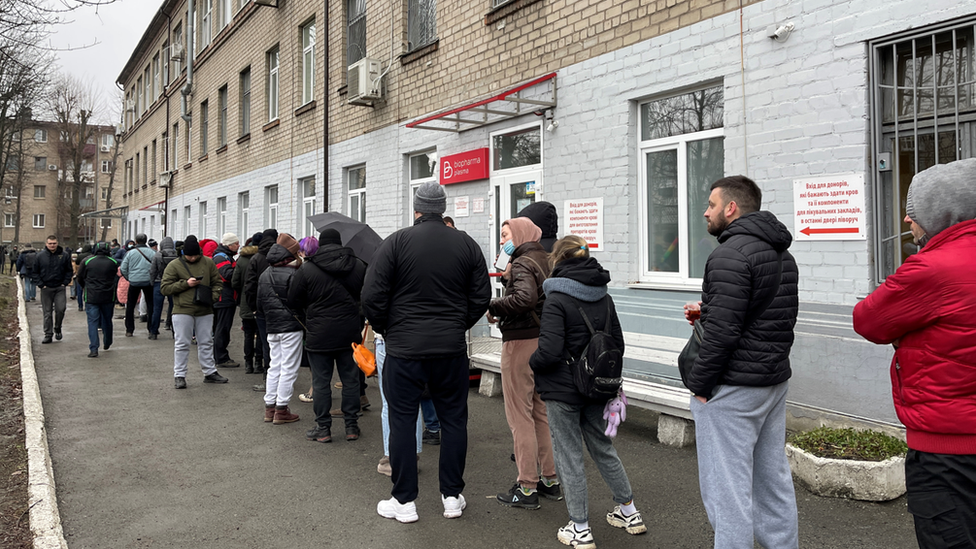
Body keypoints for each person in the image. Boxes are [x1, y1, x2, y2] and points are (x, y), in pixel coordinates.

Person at [852, 158, 976, 549]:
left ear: (942, 213)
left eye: (914, 213)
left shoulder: (931, 268)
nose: (908, 223)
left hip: (947, 452)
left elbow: (868, 321)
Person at [363, 180, 491, 523]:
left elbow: (372, 295)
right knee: (453, 420)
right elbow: (481, 295)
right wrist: (455, 324)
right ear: (443, 208)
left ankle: (404, 501)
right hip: (449, 350)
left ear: (416, 209)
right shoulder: (466, 244)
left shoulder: (396, 243)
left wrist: (389, 329)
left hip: (404, 350)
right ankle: (452, 496)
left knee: (402, 419)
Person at [681, 175, 799, 549]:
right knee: (772, 482)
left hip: (731, 388)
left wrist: (700, 386)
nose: (706, 212)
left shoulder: (729, 254)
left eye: (711, 205)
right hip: (771, 383)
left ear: (731, 208)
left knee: (727, 492)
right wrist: (710, 311)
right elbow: (768, 317)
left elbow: (723, 335)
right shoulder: (783, 253)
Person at [528, 234, 646, 547]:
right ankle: (630, 512)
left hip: (563, 391)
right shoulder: (604, 296)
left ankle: (580, 529)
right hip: (597, 388)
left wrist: (532, 362)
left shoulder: (556, 298)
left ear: (558, 260)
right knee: (603, 448)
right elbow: (617, 345)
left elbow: (549, 351)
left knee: (569, 457)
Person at [488, 217, 561, 509]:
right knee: (540, 412)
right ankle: (550, 480)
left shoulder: (521, 263)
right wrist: (506, 277)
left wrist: (492, 305)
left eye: (506, 234)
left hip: (519, 344)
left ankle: (527, 486)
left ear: (518, 235)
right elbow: (536, 293)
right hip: (542, 342)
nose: (503, 240)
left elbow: (525, 298)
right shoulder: (543, 258)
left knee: (520, 416)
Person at [288, 229, 367, 441]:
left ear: (321, 244)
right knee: (350, 380)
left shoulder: (307, 269)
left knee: (321, 382)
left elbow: (293, 300)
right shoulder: (358, 266)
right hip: (349, 332)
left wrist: (310, 315)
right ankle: (351, 426)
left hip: (319, 332)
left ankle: (323, 428)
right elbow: (368, 295)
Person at [160, 235, 228, 389]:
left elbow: (217, 282)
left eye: (195, 255)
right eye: (189, 255)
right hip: (182, 310)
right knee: (182, 344)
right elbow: (165, 288)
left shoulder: (208, 263)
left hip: (205, 308)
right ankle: (180, 375)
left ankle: (210, 372)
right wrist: (186, 284)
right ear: (184, 253)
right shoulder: (174, 265)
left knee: (206, 342)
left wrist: (213, 297)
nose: (192, 258)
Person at [256, 233, 305, 424]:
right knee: (289, 368)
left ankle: (269, 407)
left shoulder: (265, 273)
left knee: (274, 365)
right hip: (291, 326)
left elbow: (259, 303)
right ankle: (281, 409)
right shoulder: (294, 274)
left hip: (272, 326)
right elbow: (299, 301)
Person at [244, 228, 278, 390]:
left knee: (266, 342)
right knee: (280, 345)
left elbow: (249, 285)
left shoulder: (256, 258)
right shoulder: (282, 256)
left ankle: (268, 378)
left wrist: (254, 307)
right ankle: (280, 377)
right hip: (280, 307)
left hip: (262, 307)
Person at [78, 243, 118, 358]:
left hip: (91, 296)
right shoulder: (113, 262)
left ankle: (94, 348)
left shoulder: (88, 261)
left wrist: (85, 286)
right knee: (107, 320)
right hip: (108, 295)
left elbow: (80, 277)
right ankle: (107, 341)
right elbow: (115, 276)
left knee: (92, 322)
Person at [32, 235, 73, 344]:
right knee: (47, 313)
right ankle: (48, 334)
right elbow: (35, 272)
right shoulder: (40, 256)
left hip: (59, 287)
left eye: (54, 243)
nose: (52, 245)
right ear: (46, 244)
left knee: (60, 309)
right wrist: (41, 284)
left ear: (57, 243)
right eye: (50, 243)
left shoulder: (64, 255)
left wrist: (65, 282)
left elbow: (69, 270)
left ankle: (58, 327)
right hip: (46, 288)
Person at [232, 233, 263, 374]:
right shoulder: (264, 258)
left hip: (246, 301)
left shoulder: (242, 259)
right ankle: (258, 363)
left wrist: (242, 292)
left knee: (248, 334)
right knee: (261, 334)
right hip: (261, 301)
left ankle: (248, 363)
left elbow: (235, 282)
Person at [212, 233, 240, 367]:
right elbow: (227, 275)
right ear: (229, 245)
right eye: (236, 243)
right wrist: (238, 268)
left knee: (220, 327)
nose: (238, 245)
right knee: (222, 328)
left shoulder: (223, 256)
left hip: (224, 297)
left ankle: (219, 355)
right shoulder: (221, 257)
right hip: (224, 297)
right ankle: (221, 357)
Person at [119, 233, 155, 338]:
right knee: (150, 305)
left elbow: (123, 268)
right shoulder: (152, 252)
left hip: (134, 281)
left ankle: (129, 329)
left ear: (136, 241)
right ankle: (151, 329)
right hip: (148, 281)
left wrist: (129, 278)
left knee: (130, 306)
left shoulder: (130, 253)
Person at [149, 237, 179, 338]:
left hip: (159, 283)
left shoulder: (157, 255)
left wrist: (152, 282)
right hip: (173, 283)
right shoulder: (177, 255)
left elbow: (153, 270)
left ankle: (154, 332)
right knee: (174, 307)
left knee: (157, 308)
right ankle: (174, 331)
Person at [74, 244, 92, 311]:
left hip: (81, 274)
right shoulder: (92, 256)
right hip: (89, 276)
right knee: (88, 291)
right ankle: (87, 305)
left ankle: (80, 306)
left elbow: (77, 263)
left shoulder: (80, 256)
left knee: (79, 291)